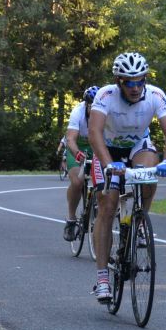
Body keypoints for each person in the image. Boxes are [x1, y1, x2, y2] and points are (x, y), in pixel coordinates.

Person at [88, 53, 166, 303]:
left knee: (150, 171)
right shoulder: (105, 95)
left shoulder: (155, 95)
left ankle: (138, 220)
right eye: (130, 82)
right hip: (108, 151)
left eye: (140, 81)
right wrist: (108, 164)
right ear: (119, 81)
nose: (136, 87)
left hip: (137, 146)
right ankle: (103, 276)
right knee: (107, 204)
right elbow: (94, 132)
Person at [63, 85, 99, 241]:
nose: (95, 109)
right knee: (77, 182)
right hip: (77, 145)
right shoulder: (77, 112)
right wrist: (77, 154)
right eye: (92, 106)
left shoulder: (108, 113)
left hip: (96, 145)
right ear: (86, 104)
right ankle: (71, 219)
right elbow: (70, 139)